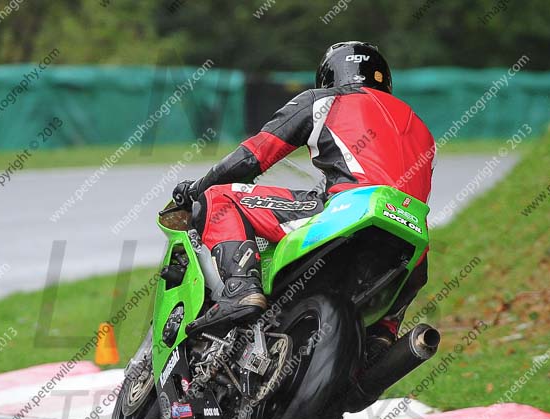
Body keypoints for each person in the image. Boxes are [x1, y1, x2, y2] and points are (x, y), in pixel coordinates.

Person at [172, 41, 435, 347]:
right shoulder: (422, 129)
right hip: (412, 244)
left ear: (329, 77)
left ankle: (241, 289)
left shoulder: (325, 100)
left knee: (221, 198)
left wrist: (198, 188)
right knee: (383, 332)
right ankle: (382, 340)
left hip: (352, 208)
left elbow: (251, 157)